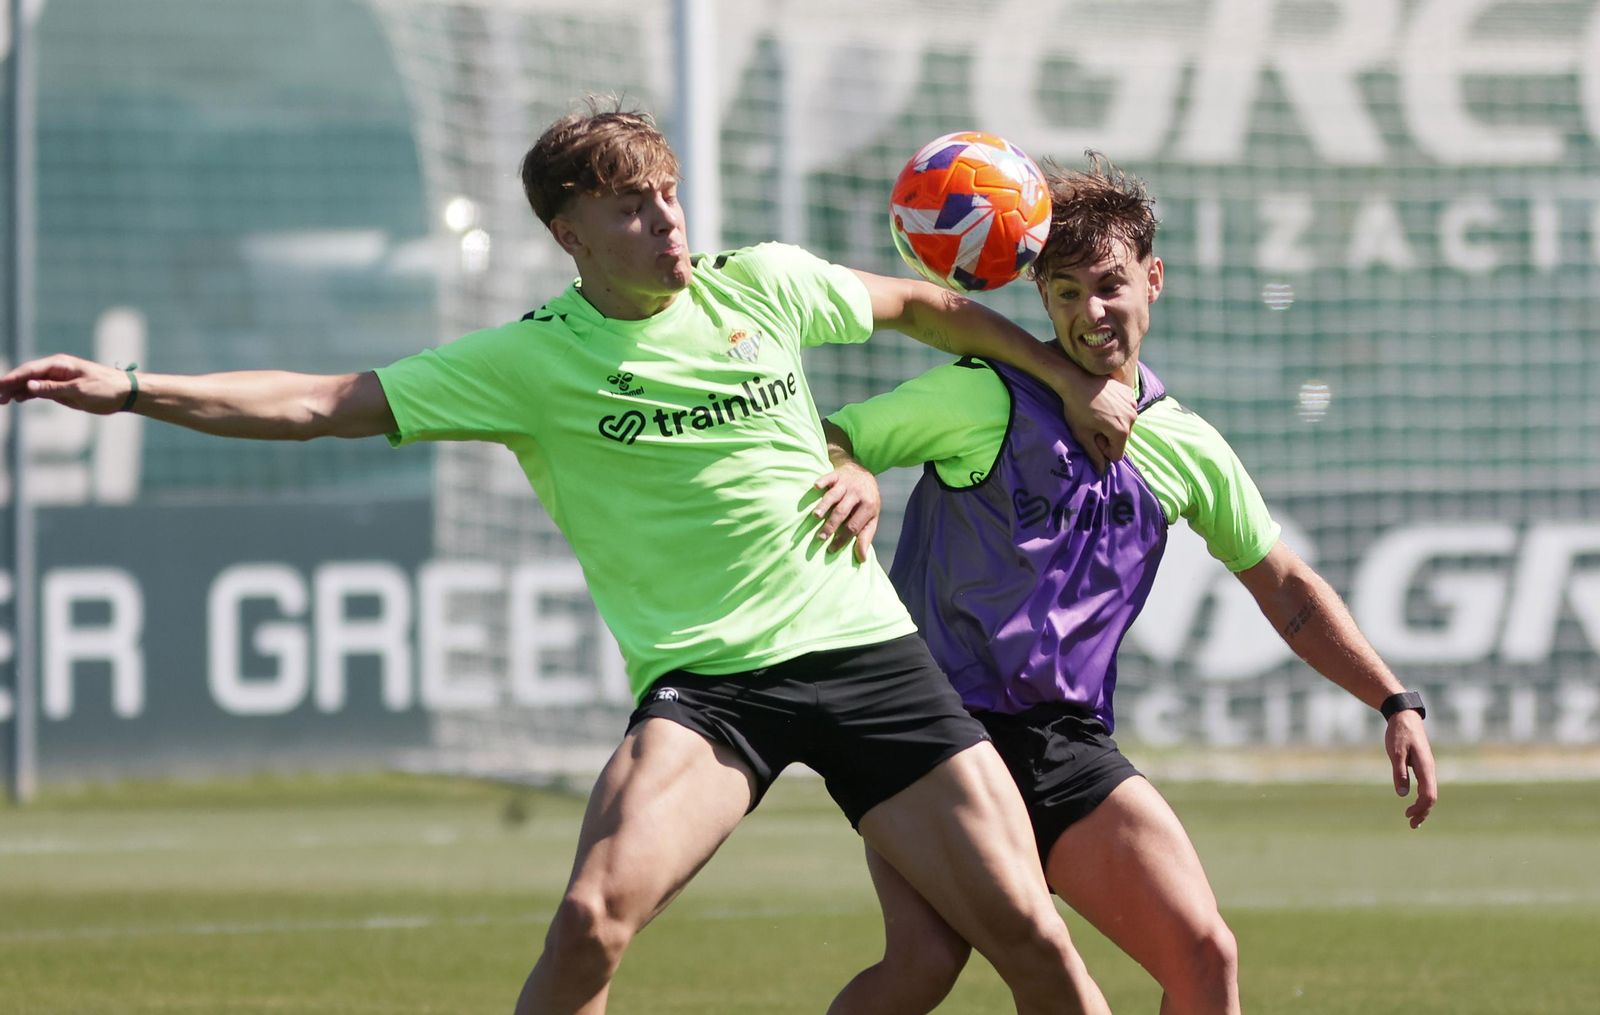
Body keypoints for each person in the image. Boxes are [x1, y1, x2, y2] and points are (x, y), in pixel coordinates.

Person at [0, 101, 1137, 1015]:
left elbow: (928, 307)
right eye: (633, 209)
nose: (667, 222)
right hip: (710, 689)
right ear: (569, 235)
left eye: (670, 196)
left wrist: (1064, 376)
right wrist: (135, 388)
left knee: (1032, 940)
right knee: (592, 920)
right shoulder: (528, 362)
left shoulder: (764, 283)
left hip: (865, 656)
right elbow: (317, 402)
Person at [820, 152, 1440, 1015]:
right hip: (935, 734)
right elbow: (837, 433)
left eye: (1109, 285)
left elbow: (1287, 587)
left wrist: (1393, 699)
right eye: (1065, 292)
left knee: (1204, 954)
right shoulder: (986, 396)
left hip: (1064, 740)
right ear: (1040, 301)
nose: (1090, 312)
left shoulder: (1183, 444)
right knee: (925, 964)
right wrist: (849, 469)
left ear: (1154, 279)